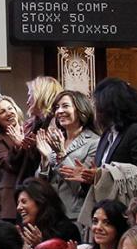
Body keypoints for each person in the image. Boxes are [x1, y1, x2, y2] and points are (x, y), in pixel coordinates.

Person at [69, 78, 137, 235]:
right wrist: (89, 177)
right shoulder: (106, 135)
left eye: (97, 104)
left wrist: (103, 174)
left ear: (109, 104)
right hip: (106, 213)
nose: (95, 109)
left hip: (128, 212)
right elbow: (99, 178)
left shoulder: (136, 131)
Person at [35, 89, 101, 221]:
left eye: (65, 106)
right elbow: (39, 185)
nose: (59, 111)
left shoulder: (94, 142)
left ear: (81, 110)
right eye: (57, 107)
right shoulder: (57, 140)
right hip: (50, 214)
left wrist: (62, 155)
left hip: (75, 216)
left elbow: (82, 188)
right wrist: (44, 161)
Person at [0, 96, 39, 222]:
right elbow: (9, 165)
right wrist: (18, 146)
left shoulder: (30, 130)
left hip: (35, 192)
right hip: (11, 197)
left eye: (10, 108)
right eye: (2, 111)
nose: (8, 113)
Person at [15, 178, 80, 249]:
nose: (18, 207)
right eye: (18, 203)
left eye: (24, 202)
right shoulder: (22, 233)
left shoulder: (67, 230)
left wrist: (40, 245)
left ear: (40, 202)